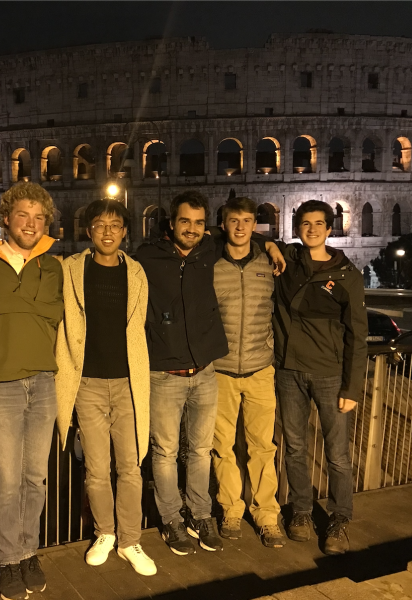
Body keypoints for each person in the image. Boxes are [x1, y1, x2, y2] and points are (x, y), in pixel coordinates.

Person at [136, 191, 285, 556]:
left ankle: (220, 515)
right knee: (172, 452)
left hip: (217, 369)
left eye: (198, 223)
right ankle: (180, 518)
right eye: (184, 221)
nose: (192, 228)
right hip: (176, 371)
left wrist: (271, 243)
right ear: (171, 223)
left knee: (215, 451)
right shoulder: (149, 256)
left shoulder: (212, 250)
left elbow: (243, 234)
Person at [0, 182, 64, 600]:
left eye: (39, 217)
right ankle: (7, 558)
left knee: (34, 478)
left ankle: (28, 551)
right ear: (5, 218)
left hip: (43, 380)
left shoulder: (55, 266)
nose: (31, 223)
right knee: (4, 480)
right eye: (23, 215)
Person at [55, 199, 156, 576]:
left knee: (130, 466)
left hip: (130, 382)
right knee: (97, 469)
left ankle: (131, 540)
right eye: (100, 225)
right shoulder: (70, 270)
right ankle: (105, 534)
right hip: (88, 384)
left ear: (126, 231)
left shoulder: (137, 273)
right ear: (89, 231)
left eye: (115, 225)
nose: (108, 232)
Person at [274, 200, 367, 555]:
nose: (311, 229)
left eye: (319, 224)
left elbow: (357, 336)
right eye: (305, 223)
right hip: (289, 371)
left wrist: (352, 387)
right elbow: (239, 235)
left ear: (330, 229)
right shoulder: (287, 261)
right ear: (297, 227)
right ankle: (300, 511)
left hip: (330, 375)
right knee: (295, 448)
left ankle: (340, 518)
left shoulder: (346, 275)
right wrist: (269, 244)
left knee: (338, 455)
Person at [212, 197, 285, 548]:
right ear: (222, 224)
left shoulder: (270, 262)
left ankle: (267, 516)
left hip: (260, 368)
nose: (240, 227)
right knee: (222, 447)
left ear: (255, 224)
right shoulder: (209, 261)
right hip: (221, 370)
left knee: (262, 447)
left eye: (246, 220)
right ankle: (230, 510)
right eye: (233, 220)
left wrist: (272, 245)